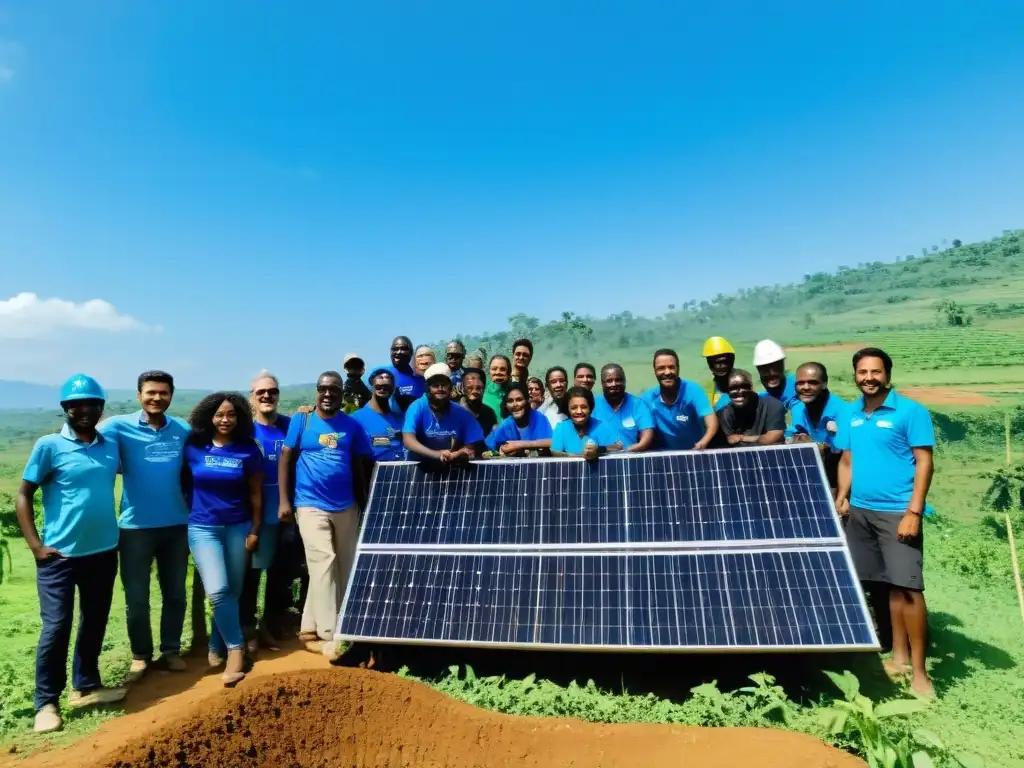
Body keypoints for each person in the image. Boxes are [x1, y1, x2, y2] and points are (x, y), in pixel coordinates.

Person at [16, 374, 125, 734]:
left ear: (100, 408)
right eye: (75, 405)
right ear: (65, 409)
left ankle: (87, 686)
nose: (83, 410)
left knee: (94, 621)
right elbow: (23, 495)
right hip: (59, 557)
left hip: (104, 552)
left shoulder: (109, 445)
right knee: (56, 627)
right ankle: (46, 702)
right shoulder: (49, 445)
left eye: (91, 404)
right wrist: (35, 545)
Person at [834, 348, 935, 697]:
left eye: (876, 372)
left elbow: (924, 463)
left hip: (897, 512)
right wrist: (843, 495)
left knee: (909, 588)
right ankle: (898, 657)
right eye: (862, 372)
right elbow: (847, 460)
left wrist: (913, 512)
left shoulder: (910, 412)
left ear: (887, 375)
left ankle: (920, 673)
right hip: (860, 512)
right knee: (887, 586)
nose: (869, 378)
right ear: (855, 376)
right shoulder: (850, 413)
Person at [98, 370, 190, 683]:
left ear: (171, 396)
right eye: (151, 392)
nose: (157, 398)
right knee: (137, 597)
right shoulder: (117, 427)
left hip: (177, 525)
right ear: (139, 395)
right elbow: (90, 441)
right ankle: (140, 656)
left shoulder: (182, 429)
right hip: (135, 528)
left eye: (163, 393)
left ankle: (171, 650)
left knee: (175, 593)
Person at [278, 371, 374, 661]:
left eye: (334, 389)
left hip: (346, 505)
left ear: (342, 393)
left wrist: (365, 499)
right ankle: (330, 634)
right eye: (323, 388)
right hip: (309, 503)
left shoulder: (352, 426)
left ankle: (308, 627)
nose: (328, 393)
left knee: (344, 566)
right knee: (323, 562)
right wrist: (285, 500)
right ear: (316, 391)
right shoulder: (301, 420)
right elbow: (286, 457)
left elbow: (363, 461)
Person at [182, 392, 263, 687]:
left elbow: (256, 493)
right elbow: (183, 483)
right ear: (209, 417)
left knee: (234, 590)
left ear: (239, 417)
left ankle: (217, 643)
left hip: (238, 527)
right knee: (217, 591)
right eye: (219, 414)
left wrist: (254, 529)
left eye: (231, 414)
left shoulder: (248, 450)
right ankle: (236, 650)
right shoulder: (193, 446)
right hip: (203, 527)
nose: (225, 419)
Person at [240, 371, 293, 651]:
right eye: (260, 392)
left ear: (278, 395)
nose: (266, 396)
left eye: (271, 391)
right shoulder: (243, 431)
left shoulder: (290, 425)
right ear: (252, 397)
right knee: (251, 576)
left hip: (285, 515)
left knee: (279, 576)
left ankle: (270, 626)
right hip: (253, 517)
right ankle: (248, 630)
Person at [404, 363, 486, 462]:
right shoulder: (417, 407)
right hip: (419, 467)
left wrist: (457, 454)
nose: (440, 389)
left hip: (450, 467)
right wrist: (436, 455)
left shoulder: (461, 412)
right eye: (435, 385)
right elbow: (408, 441)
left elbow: (472, 444)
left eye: (443, 385)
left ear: (451, 388)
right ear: (427, 389)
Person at [641, 349, 717, 450]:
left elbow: (711, 422)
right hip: (664, 454)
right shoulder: (647, 398)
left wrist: (703, 442)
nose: (667, 372)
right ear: (654, 371)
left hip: (695, 451)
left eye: (671, 367)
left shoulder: (694, 391)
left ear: (678, 368)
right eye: (661, 368)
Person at [786, 362, 847, 489]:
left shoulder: (842, 411)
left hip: (839, 478)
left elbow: (844, 456)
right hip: (812, 475)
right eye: (800, 383)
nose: (805, 387)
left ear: (824, 384)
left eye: (812, 382)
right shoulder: (799, 408)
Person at [715, 369, 786, 447]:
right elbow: (727, 443)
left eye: (744, 386)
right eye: (733, 388)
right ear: (727, 392)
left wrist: (742, 438)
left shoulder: (773, 405)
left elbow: (774, 437)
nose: (739, 391)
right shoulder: (723, 414)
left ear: (751, 387)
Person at [593, 364, 655, 452]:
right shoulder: (593, 405)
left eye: (618, 380)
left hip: (630, 459)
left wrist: (624, 453)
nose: (614, 384)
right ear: (602, 384)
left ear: (625, 381)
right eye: (609, 381)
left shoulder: (637, 405)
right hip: (598, 459)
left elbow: (646, 440)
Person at [551, 386, 624, 459]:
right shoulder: (561, 428)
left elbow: (619, 446)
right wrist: (576, 457)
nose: (579, 411)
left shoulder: (600, 426)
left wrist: (599, 449)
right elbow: (554, 455)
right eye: (574, 408)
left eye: (584, 407)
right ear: (568, 409)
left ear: (590, 408)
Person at [351, 368, 407, 461]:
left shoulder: (401, 420)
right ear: (371, 386)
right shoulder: (355, 419)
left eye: (387, 387)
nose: (383, 389)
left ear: (393, 389)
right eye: (378, 386)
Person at [486, 382, 553, 457]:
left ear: (527, 400)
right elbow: (490, 448)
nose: (515, 404)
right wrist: (502, 450)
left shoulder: (538, 418)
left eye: (519, 400)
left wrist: (518, 444)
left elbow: (550, 442)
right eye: (510, 401)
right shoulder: (506, 424)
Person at [752, 339, 799, 410]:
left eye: (776, 367)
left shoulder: (799, 385)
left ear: (783, 366)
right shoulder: (760, 399)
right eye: (765, 369)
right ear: (758, 369)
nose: (771, 374)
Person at [385, 336, 424, 412]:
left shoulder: (421, 379)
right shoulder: (382, 377)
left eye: (403, 349)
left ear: (411, 352)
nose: (398, 352)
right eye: (394, 349)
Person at [461, 367, 499, 436]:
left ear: (484, 389)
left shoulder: (489, 412)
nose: (474, 391)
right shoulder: (454, 412)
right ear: (463, 389)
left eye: (478, 388)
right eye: (470, 388)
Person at [702, 336, 736, 411]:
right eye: (716, 362)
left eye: (723, 361)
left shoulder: (742, 382)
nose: (720, 366)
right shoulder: (709, 389)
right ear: (710, 364)